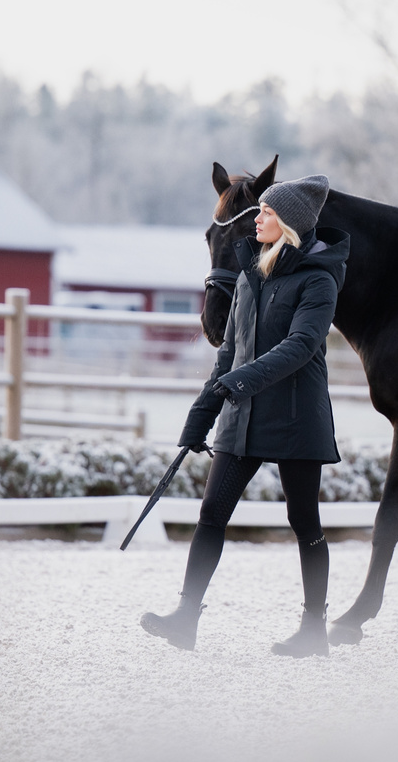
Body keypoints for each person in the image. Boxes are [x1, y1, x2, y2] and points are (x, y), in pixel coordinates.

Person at [140, 175, 350, 656]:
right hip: (242, 415)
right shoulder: (249, 276)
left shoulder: (318, 279)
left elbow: (300, 347)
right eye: (259, 212)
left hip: (296, 418)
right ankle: (185, 619)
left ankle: (314, 629)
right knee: (212, 513)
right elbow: (228, 353)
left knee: (304, 520)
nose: (257, 218)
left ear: (290, 225)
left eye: (267, 213)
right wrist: (202, 413)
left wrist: (240, 381)